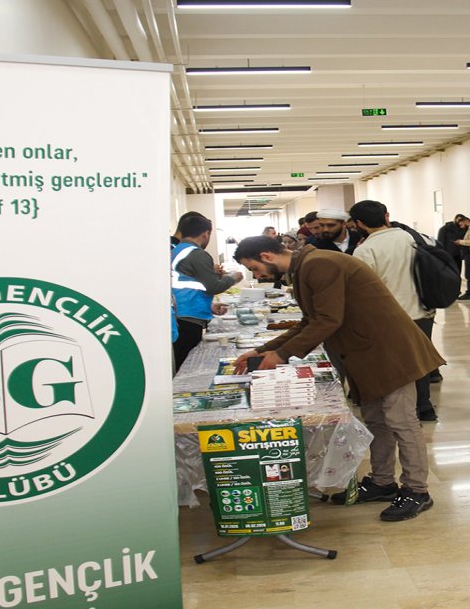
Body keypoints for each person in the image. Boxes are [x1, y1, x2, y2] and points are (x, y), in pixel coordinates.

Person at [231, 236, 444, 521]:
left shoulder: (319, 263)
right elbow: (310, 321)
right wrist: (264, 350)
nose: (257, 275)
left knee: (401, 422)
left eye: (254, 268)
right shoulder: (306, 267)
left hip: (391, 351)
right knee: (377, 421)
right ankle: (382, 482)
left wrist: (281, 355)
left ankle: (417, 491)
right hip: (364, 353)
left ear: (267, 256)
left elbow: (328, 320)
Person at [350, 200, 444, 421]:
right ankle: (424, 407)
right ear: (386, 216)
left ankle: (402, 411)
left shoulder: (365, 250)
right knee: (419, 361)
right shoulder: (411, 238)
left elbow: (362, 291)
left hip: (389, 317)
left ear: (359, 223)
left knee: (397, 365)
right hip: (422, 311)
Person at [171, 214, 243, 373]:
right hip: (188, 317)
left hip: (181, 312)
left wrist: (208, 305)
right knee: (186, 364)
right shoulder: (197, 253)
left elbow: (187, 284)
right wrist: (233, 277)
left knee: (181, 360)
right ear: (205, 233)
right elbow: (213, 287)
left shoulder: (178, 250)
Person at [436, 213, 466, 283]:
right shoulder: (444, 229)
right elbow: (440, 242)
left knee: (457, 272)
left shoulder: (463, 229)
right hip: (448, 255)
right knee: (448, 272)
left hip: (458, 255)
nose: (459, 222)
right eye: (458, 220)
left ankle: (457, 289)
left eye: (461, 220)